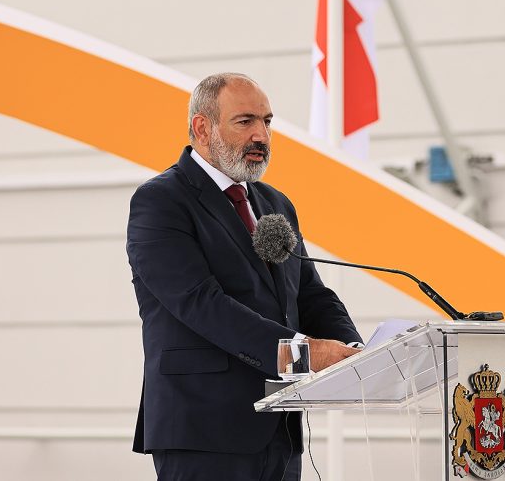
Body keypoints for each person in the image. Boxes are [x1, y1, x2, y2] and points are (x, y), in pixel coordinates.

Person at [126, 73, 363, 481]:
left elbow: (309, 294)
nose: (262, 135)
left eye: (267, 122)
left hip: (279, 430)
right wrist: (302, 354)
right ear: (203, 127)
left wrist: (355, 350)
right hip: (202, 430)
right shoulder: (161, 201)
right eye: (246, 121)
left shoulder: (275, 204)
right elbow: (202, 305)